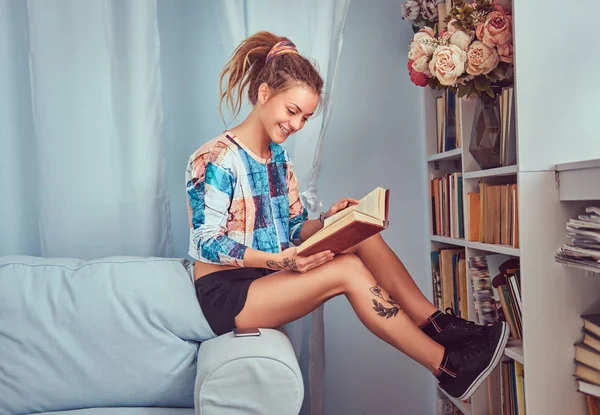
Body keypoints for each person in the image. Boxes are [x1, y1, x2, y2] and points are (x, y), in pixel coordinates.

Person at [185, 31, 509, 401]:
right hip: (226, 295)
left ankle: (438, 324)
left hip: (265, 278)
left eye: (306, 117)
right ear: (263, 94)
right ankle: (449, 368)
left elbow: (291, 228)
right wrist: (278, 261)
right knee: (347, 270)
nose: (297, 125)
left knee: (361, 233)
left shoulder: (279, 161)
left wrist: (329, 223)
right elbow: (206, 243)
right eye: (292, 111)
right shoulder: (215, 158)